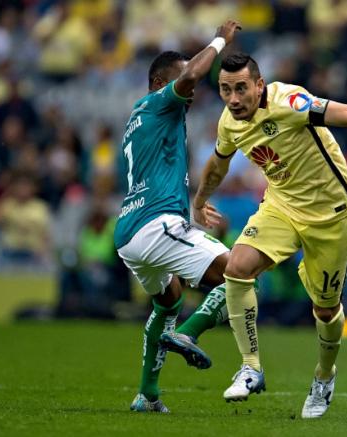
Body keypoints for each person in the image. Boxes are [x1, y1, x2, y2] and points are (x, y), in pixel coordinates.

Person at [193, 53, 347, 418]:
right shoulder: (230, 122)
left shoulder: (290, 102)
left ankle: (324, 376)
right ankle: (251, 367)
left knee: (325, 309)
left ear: (259, 86)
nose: (233, 99)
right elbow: (219, 162)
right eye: (225, 90)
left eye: (241, 89)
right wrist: (200, 200)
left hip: (332, 216)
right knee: (238, 266)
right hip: (280, 207)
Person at [113, 20, 241, 414]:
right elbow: (191, 74)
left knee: (168, 300)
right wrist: (220, 40)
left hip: (131, 233)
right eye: (180, 80)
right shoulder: (158, 102)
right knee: (239, 271)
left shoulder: (143, 119)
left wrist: (194, 205)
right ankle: (188, 334)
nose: (192, 88)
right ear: (157, 82)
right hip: (155, 224)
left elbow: (160, 173)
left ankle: (147, 395)